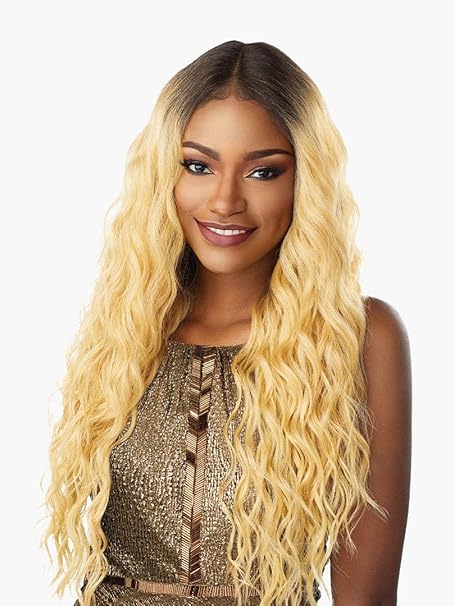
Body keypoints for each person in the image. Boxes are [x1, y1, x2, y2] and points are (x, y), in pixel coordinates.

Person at [41, 40, 412, 606]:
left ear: (304, 181)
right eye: (198, 165)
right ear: (164, 174)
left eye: (263, 171)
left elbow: (367, 599)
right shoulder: (125, 329)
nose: (224, 200)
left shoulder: (357, 339)